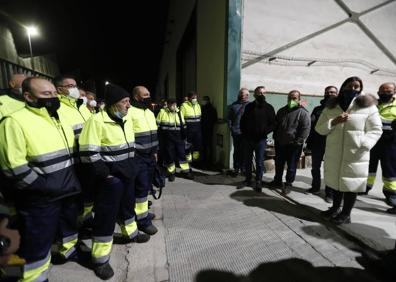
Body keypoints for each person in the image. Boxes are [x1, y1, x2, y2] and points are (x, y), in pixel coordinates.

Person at [0, 77, 81, 281]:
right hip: (40, 197)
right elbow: (13, 167)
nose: (53, 98)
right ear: (28, 96)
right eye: (46, 94)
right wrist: (42, 187)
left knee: (66, 230)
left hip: (66, 188)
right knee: (36, 244)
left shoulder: (57, 116)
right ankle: (34, 277)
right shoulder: (14, 121)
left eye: (54, 93)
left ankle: (68, 251)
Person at [79, 83, 149, 280]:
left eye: (128, 101)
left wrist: (132, 167)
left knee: (128, 207)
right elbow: (88, 152)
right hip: (110, 179)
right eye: (125, 102)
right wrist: (105, 175)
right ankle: (100, 259)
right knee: (106, 216)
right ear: (112, 105)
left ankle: (131, 233)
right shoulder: (96, 121)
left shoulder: (124, 120)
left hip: (127, 174)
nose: (128, 106)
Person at [316, 76, 382, 224]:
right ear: (343, 87)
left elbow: (376, 130)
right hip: (335, 152)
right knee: (336, 182)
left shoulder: (368, 107)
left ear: (360, 89)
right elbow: (319, 129)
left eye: (356, 87)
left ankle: (346, 214)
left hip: (356, 153)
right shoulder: (331, 106)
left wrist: (363, 144)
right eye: (349, 86)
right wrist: (334, 121)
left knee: (351, 185)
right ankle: (335, 208)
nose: (352, 89)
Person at [54, 75, 94, 231]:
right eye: (70, 85)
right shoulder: (57, 107)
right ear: (59, 89)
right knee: (73, 199)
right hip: (72, 161)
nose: (74, 88)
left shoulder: (81, 106)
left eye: (75, 85)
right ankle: (76, 226)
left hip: (87, 159)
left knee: (87, 193)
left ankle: (86, 219)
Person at [129, 86, 159, 236]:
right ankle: (142, 221)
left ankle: (143, 212)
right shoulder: (130, 112)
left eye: (149, 94)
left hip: (150, 156)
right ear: (136, 96)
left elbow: (154, 133)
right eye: (145, 95)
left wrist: (155, 152)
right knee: (140, 188)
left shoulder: (148, 111)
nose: (148, 97)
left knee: (146, 185)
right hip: (138, 156)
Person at [270, 90, 311, 195]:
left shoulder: (303, 113)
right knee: (279, 163)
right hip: (280, 143)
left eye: (294, 98)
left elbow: (305, 129)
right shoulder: (281, 111)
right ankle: (277, 181)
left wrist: (298, 142)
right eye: (289, 98)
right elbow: (276, 125)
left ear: (299, 99)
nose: (291, 100)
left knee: (291, 166)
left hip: (294, 145)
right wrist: (275, 137)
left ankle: (288, 184)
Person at [366, 82, 396, 214]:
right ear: (378, 92)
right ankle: (364, 187)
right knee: (368, 166)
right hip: (373, 141)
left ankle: (391, 194)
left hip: (391, 142)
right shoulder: (372, 104)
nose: (385, 92)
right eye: (382, 90)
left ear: (394, 92)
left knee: (389, 169)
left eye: (388, 90)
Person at [240, 86, 276, 192]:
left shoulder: (269, 108)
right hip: (248, 139)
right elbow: (243, 121)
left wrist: (264, 132)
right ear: (254, 94)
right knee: (247, 160)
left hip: (260, 140)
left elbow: (273, 124)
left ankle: (258, 181)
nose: (261, 95)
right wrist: (244, 132)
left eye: (263, 93)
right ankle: (247, 179)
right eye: (259, 93)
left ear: (266, 94)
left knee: (260, 162)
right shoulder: (249, 107)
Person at [306, 86, 338, 202]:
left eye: (333, 92)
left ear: (337, 94)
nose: (330, 94)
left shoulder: (339, 109)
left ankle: (329, 193)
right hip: (317, 142)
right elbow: (312, 126)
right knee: (315, 167)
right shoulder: (317, 109)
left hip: (333, 142)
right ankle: (315, 187)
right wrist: (309, 141)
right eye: (328, 92)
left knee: (330, 168)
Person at [156, 98, 193, 181]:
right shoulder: (162, 112)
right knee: (169, 155)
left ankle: (186, 171)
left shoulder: (179, 112)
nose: (173, 106)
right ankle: (171, 173)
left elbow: (183, 125)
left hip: (179, 137)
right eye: (171, 104)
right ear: (168, 104)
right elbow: (157, 125)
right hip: (167, 138)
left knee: (182, 154)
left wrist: (185, 136)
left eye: (175, 104)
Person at [227, 88, 250, 177]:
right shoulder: (234, 105)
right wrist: (231, 128)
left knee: (245, 151)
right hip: (236, 132)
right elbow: (229, 118)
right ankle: (236, 168)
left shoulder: (250, 105)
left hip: (246, 133)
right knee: (237, 151)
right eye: (242, 94)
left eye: (246, 94)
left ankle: (243, 169)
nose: (244, 96)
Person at [180, 91, 202, 167]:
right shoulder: (184, 106)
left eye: (196, 97)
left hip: (197, 130)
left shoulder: (198, 105)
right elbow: (181, 119)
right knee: (187, 147)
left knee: (197, 146)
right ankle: (188, 162)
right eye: (193, 98)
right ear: (189, 98)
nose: (195, 99)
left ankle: (196, 161)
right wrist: (184, 129)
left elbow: (200, 118)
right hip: (188, 130)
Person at [201, 96, 218, 169]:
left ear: (207, 101)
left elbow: (214, 119)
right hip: (207, 129)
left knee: (207, 146)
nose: (203, 101)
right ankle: (208, 161)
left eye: (204, 100)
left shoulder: (207, 109)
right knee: (207, 146)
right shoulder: (206, 108)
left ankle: (207, 162)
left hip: (207, 129)